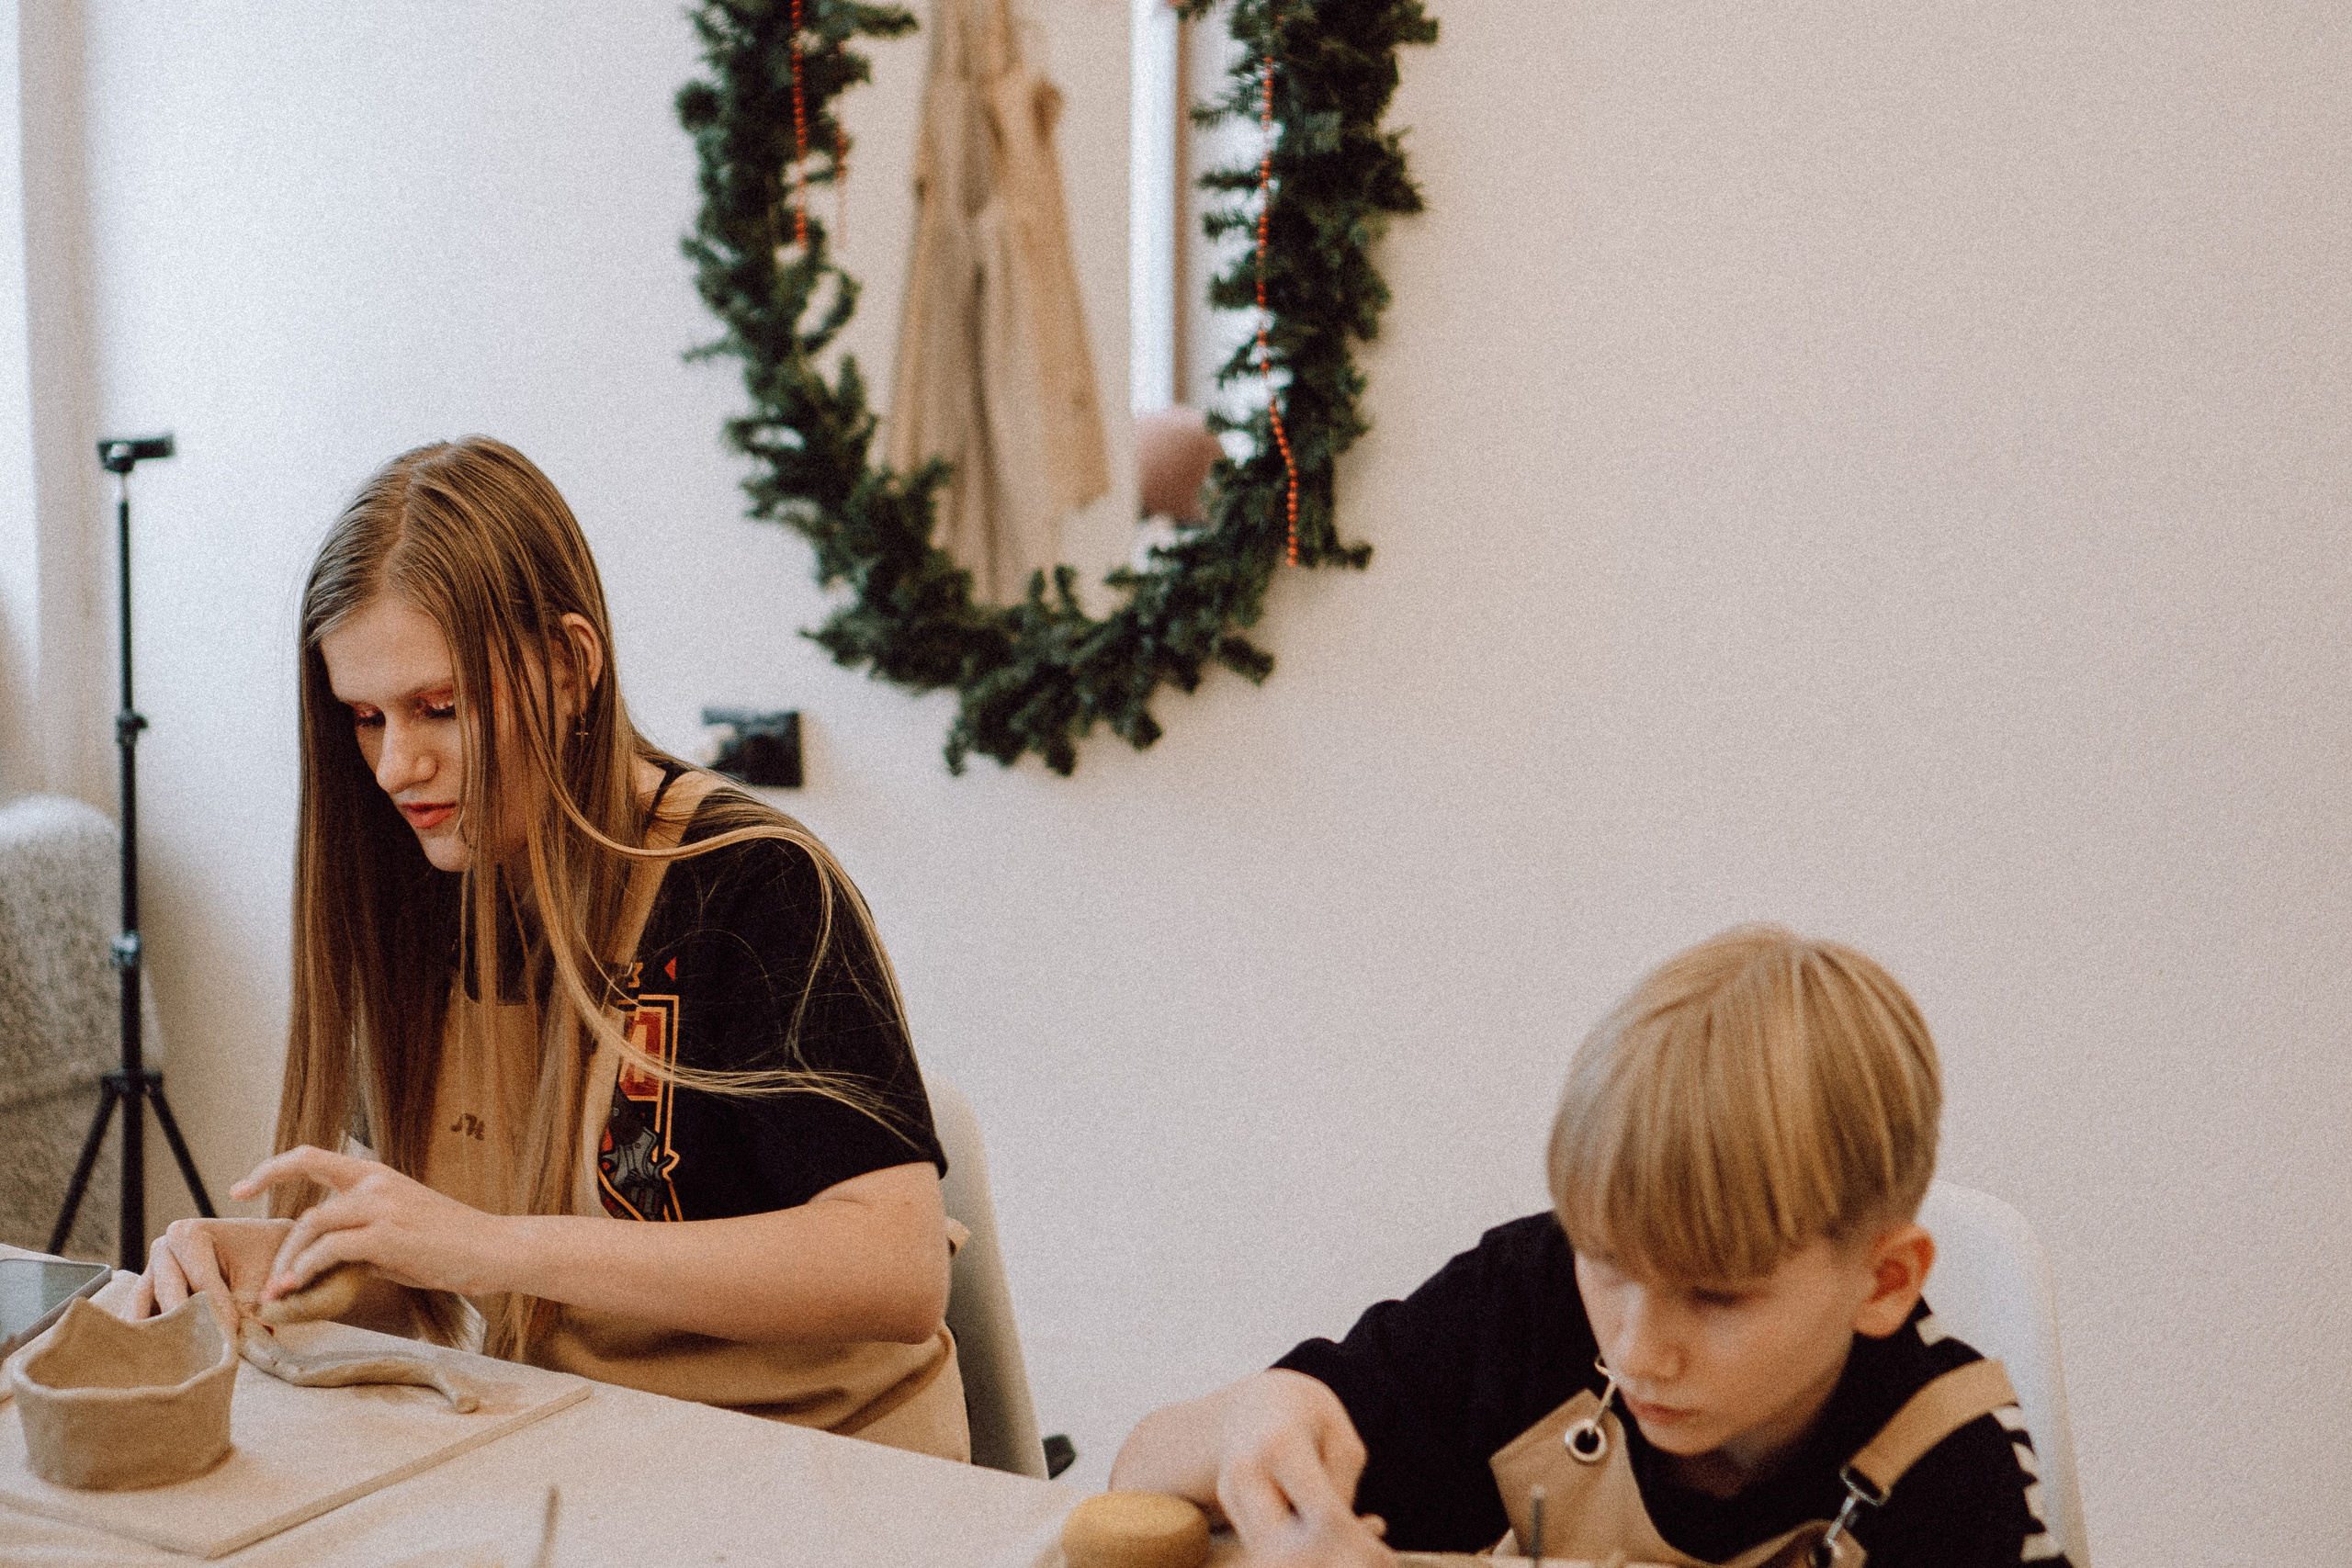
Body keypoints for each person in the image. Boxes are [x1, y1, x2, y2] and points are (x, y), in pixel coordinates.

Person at [130, 436, 970, 1461]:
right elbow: (449, 1265)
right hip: (596, 1454)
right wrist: (289, 1257)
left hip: (829, 1467)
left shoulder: (751, 883)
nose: (396, 766)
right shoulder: (421, 887)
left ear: (571, 668)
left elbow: (895, 1268)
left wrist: (493, 1248)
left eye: (441, 708)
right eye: (365, 717)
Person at [1111, 927, 2069, 1565]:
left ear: (1883, 1280)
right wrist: (1252, 1423)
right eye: (1608, 1264)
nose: (1638, 1350)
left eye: (1716, 1295)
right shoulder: (1525, 1304)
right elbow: (1142, 1472)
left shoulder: (1955, 1467)